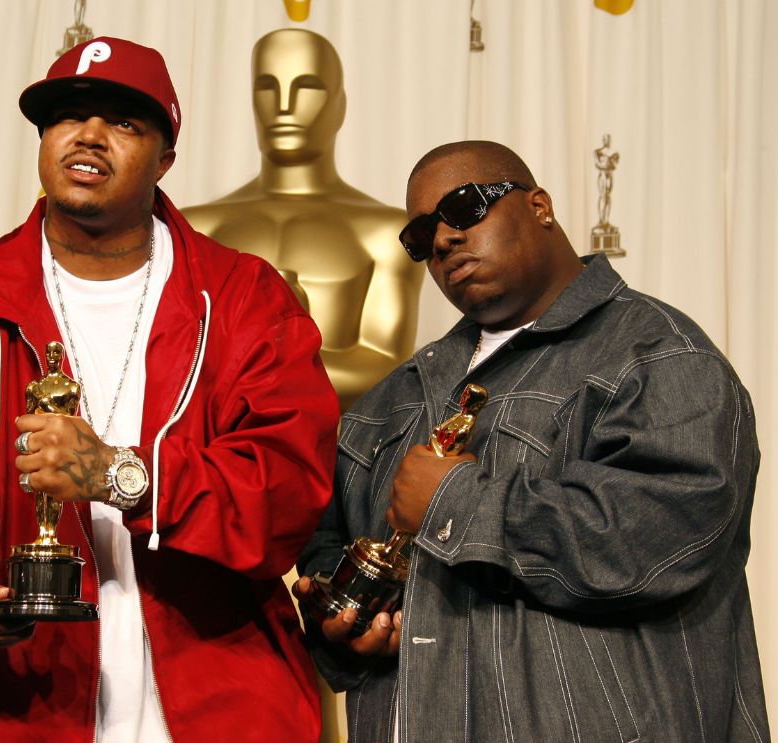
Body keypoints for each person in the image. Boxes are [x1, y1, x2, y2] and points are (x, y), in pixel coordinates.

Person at [0, 37, 338, 741]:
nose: (89, 135)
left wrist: (119, 474)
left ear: (165, 158)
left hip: (222, 695)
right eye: (67, 115)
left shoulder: (243, 299)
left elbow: (284, 490)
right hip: (30, 701)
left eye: (124, 122)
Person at [296, 140, 769, 741]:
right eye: (419, 236)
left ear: (540, 206)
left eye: (464, 208)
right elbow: (327, 546)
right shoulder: (389, 405)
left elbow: (664, 538)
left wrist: (455, 504)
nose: (442, 240)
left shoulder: (656, 353)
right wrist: (345, 622)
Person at [182, 28, 423, 412]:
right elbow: (166, 363)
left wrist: (276, 351)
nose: (284, 105)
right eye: (267, 87)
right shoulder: (194, 227)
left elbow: (387, 368)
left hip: (335, 460)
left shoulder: (386, 232)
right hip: (207, 458)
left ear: (340, 106)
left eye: (307, 87)